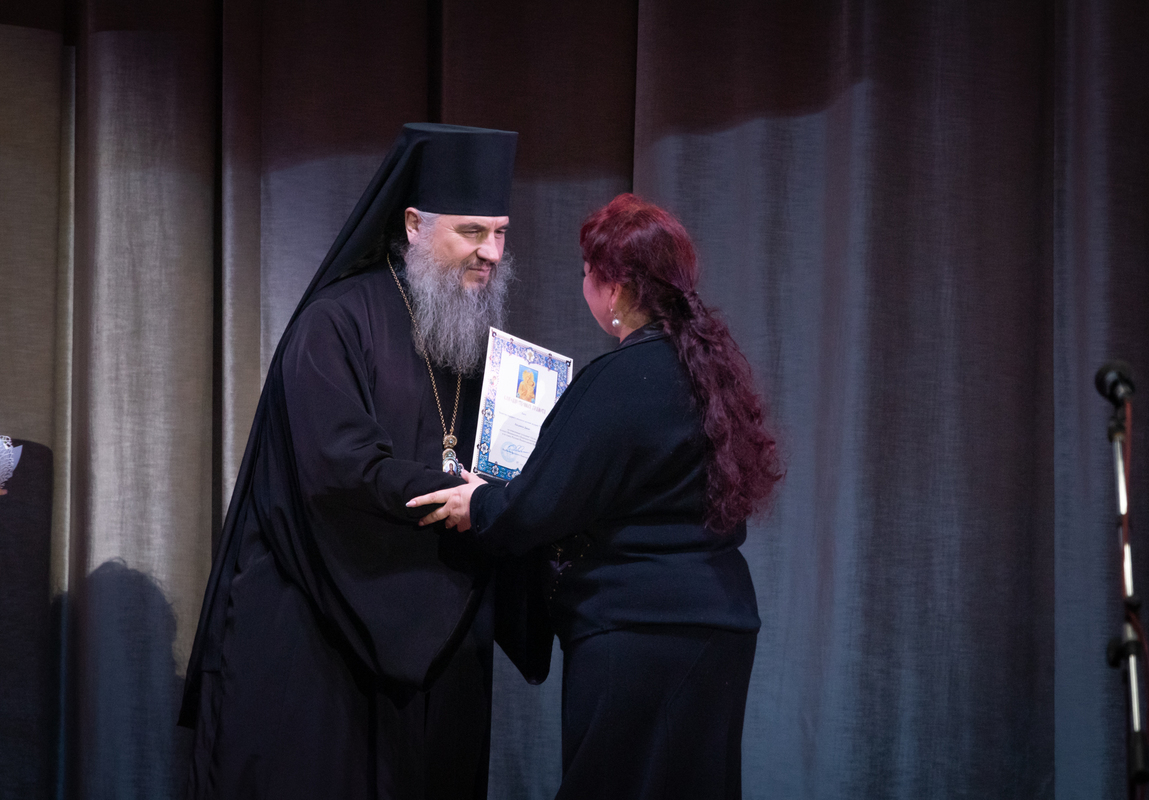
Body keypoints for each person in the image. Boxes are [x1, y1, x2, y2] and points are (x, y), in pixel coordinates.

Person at [180, 123, 519, 800]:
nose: (490, 253)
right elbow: (341, 468)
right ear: (415, 225)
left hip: (433, 628)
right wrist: (466, 498)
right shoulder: (335, 322)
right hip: (318, 625)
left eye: (500, 234)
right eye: (472, 232)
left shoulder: (478, 343)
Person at [410, 194, 784, 799]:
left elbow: (541, 505)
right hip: (721, 627)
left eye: (588, 271)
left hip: (639, 633)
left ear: (618, 289)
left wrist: (477, 504)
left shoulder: (619, 379)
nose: (583, 282)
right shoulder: (708, 372)